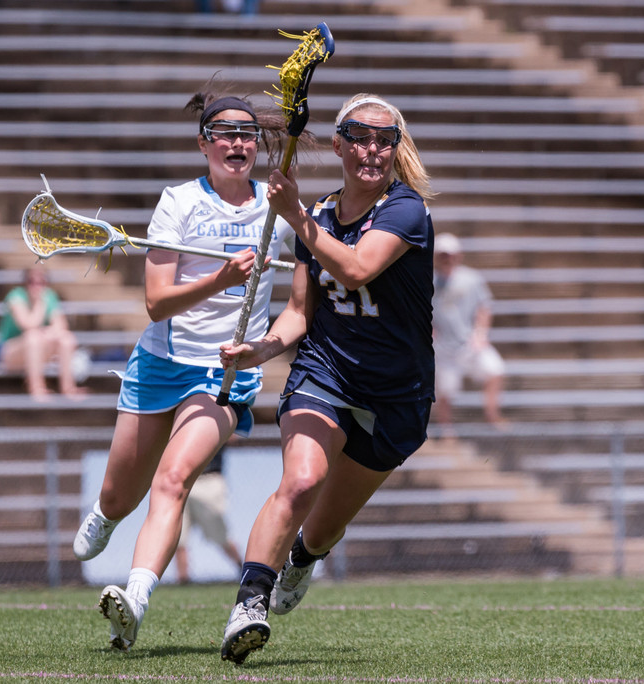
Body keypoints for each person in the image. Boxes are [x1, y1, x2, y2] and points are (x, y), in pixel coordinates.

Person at [70, 85, 297, 653]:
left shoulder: (278, 210)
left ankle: (135, 600)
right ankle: (107, 514)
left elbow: (306, 291)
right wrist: (222, 279)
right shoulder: (178, 203)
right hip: (160, 362)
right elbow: (156, 303)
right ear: (204, 143)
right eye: (225, 134)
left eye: (247, 134)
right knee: (120, 495)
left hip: (222, 375)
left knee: (173, 480)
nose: (237, 143)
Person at [217, 93, 436, 664]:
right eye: (360, 138)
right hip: (326, 371)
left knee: (321, 529)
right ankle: (249, 604)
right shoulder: (316, 213)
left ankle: (304, 557)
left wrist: (295, 218)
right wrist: (261, 349)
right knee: (301, 482)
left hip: (397, 393)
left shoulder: (406, 211)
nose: (372, 150)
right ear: (338, 145)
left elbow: (357, 267)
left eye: (384, 140)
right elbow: (299, 312)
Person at [432, 232, 507, 431]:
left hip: (469, 341)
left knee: (495, 370)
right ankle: (447, 431)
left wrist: (480, 333)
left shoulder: (471, 278)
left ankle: (492, 416)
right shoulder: (428, 281)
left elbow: (484, 307)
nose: (447, 259)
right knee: (445, 392)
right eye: (443, 255)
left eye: (450, 255)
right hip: (443, 347)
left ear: (458, 255)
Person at [0, 265, 86, 402]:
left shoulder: (50, 296)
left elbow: (61, 325)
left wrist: (48, 333)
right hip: (8, 352)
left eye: (41, 281)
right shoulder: (16, 296)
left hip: (39, 347)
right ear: (25, 282)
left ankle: (68, 389)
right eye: (32, 281)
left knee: (66, 339)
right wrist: (40, 303)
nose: (37, 286)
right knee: (33, 337)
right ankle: (36, 389)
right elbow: (28, 324)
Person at [173, 444, 243, 584]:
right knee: (177, 537)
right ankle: (183, 581)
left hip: (209, 480)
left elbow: (234, 436)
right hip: (180, 481)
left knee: (221, 536)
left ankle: (245, 571)